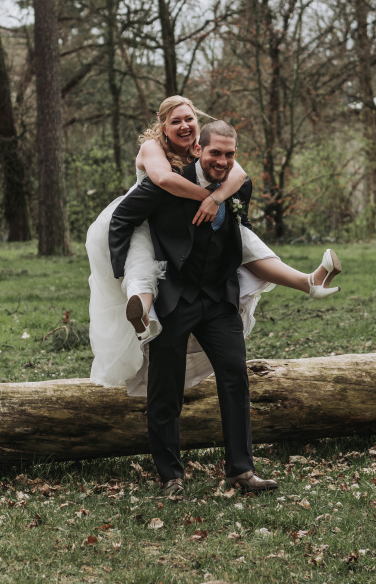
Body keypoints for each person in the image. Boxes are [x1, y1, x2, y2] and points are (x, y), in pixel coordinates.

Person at [86, 96, 341, 397]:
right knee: (141, 264)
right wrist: (208, 197)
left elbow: (239, 174)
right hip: (140, 220)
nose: (184, 125)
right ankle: (142, 314)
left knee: (242, 238)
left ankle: (309, 281)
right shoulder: (152, 147)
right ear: (163, 125)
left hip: (181, 226)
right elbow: (163, 179)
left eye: (189, 119)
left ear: (197, 121)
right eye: (176, 121)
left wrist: (218, 199)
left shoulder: (207, 145)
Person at [108, 120, 278, 494]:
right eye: (215, 152)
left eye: (230, 154)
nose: (222, 161)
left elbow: (242, 228)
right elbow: (122, 218)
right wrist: (124, 274)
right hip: (175, 297)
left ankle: (241, 471)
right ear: (199, 149)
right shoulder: (167, 182)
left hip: (219, 298)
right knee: (165, 388)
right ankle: (171, 475)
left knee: (235, 376)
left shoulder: (239, 185)